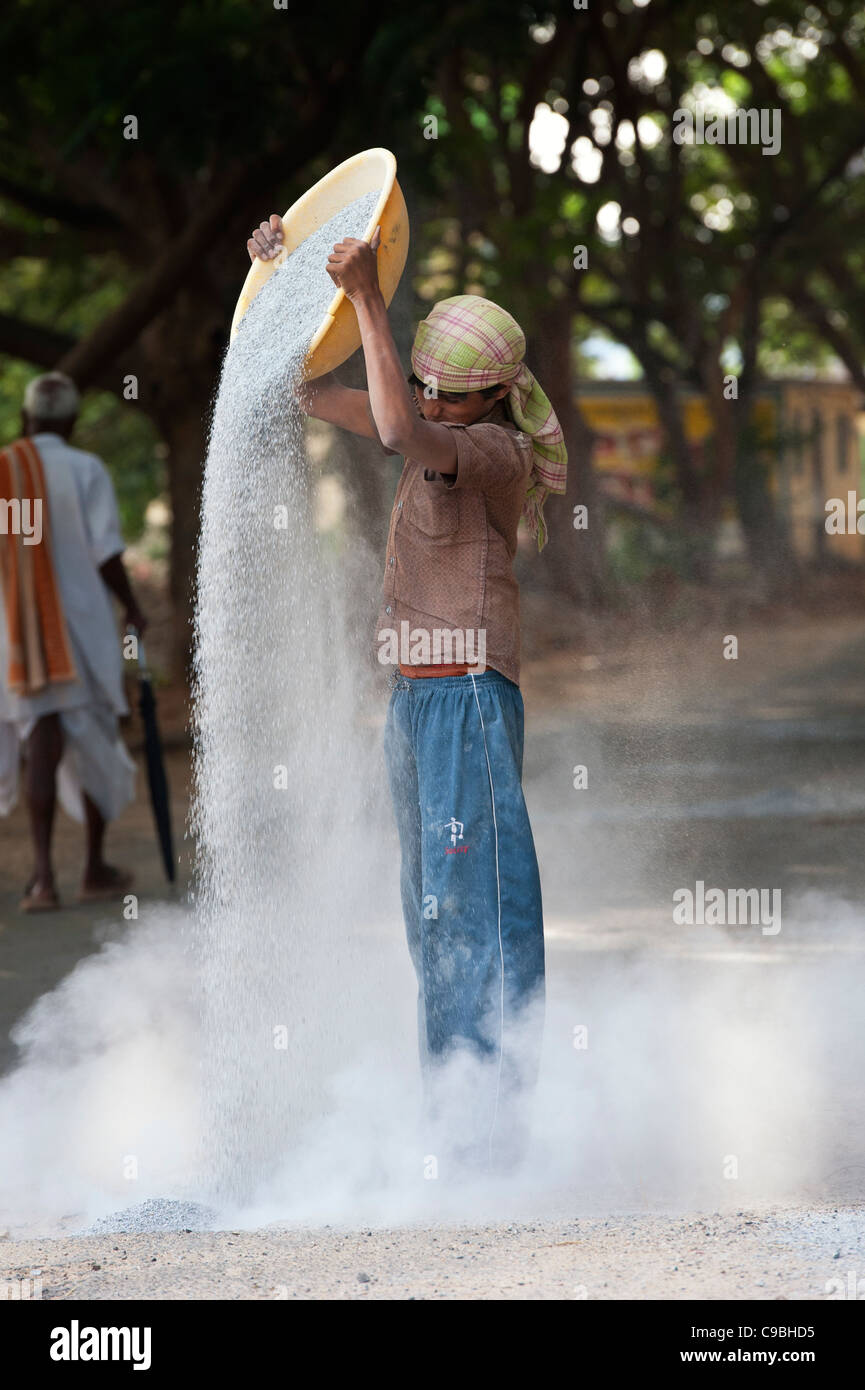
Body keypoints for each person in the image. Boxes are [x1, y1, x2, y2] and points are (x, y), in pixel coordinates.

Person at [247, 216, 567, 1172]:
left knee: (478, 910)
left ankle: (491, 1134)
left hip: (469, 696)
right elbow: (317, 392)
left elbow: (393, 424)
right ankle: (456, 1125)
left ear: (488, 400)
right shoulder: (438, 425)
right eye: (419, 380)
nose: (424, 397)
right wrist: (289, 274)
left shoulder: (491, 454)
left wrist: (370, 300)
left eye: (441, 391)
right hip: (417, 704)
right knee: (431, 916)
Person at [0, 372, 145, 911]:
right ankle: (92, 868)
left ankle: (42, 880)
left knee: (43, 734)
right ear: (72, 421)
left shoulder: (1, 470)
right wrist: (131, 607)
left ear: (25, 419)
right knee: (92, 740)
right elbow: (106, 552)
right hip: (79, 627)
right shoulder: (85, 469)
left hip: (16, 635)